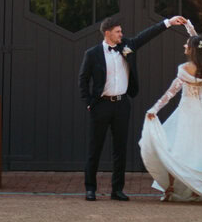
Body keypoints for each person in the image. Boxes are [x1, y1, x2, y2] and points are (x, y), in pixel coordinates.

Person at [78, 12, 187, 201]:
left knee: (120, 149)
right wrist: (89, 103)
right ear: (107, 33)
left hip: (122, 105)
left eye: (121, 31)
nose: (121, 34)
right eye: (118, 31)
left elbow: (146, 35)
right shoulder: (92, 54)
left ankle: (117, 190)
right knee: (94, 148)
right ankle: (90, 188)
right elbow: (83, 79)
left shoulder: (128, 46)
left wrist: (168, 22)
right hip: (101, 106)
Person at [139, 21, 202, 202]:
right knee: (200, 149)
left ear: (191, 49)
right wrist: (188, 25)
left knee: (176, 148)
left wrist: (154, 109)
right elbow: (197, 40)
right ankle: (198, 187)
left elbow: (170, 93)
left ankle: (171, 187)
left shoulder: (183, 69)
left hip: (187, 112)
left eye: (186, 45)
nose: (184, 45)